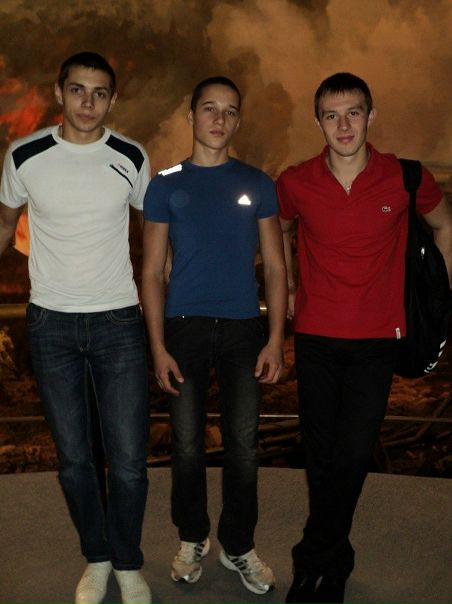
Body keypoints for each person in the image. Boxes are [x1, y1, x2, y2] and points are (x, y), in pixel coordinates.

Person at [277, 72, 452, 604]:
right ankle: (332, 563)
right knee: (321, 456)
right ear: (318, 123)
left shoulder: (404, 177)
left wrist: (439, 295)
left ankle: (313, 556)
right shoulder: (296, 181)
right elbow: (278, 230)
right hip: (315, 337)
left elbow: (444, 225)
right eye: (331, 115)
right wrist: (288, 286)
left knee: (352, 455)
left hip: (377, 339)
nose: (343, 125)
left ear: (370, 115)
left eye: (353, 112)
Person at [0, 52, 152, 604]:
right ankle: (98, 557)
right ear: (59, 92)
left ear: (112, 99)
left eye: (100, 92)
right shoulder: (25, 154)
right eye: (79, 90)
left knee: (129, 461)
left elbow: (153, 233)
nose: (88, 102)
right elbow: (4, 223)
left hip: (118, 321)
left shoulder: (132, 156)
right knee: (74, 460)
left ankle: (128, 562)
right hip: (51, 325)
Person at [141, 76, 287, 595]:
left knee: (243, 446)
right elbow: (151, 271)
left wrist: (275, 338)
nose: (219, 119)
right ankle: (192, 537)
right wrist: (158, 346)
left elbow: (276, 266)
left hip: (244, 329)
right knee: (186, 445)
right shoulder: (164, 184)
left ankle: (238, 544)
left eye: (229, 111)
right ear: (191, 116)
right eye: (209, 108)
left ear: (238, 120)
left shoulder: (258, 182)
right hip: (183, 328)